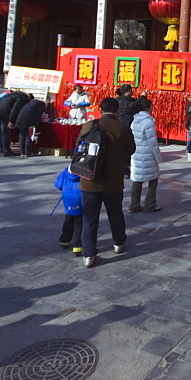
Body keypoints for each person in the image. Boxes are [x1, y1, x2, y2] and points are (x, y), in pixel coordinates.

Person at [79, 96, 135, 268]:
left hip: (89, 180)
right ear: (116, 111)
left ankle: (89, 254)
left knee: (89, 219)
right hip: (112, 182)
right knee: (115, 213)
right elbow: (131, 150)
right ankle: (118, 243)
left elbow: (78, 147)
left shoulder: (88, 126)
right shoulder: (122, 128)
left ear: (100, 110)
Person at [129, 98, 162, 213]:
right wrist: (158, 157)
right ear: (148, 107)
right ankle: (150, 204)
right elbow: (152, 142)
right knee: (153, 180)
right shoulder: (148, 122)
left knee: (137, 181)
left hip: (136, 154)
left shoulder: (134, 120)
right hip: (147, 155)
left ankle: (134, 205)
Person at [54, 165, 83, 257]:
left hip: (68, 199)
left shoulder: (66, 171)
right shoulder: (85, 171)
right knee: (79, 223)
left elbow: (58, 184)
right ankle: (77, 245)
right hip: (81, 198)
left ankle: (64, 240)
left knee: (68, 219)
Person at [0, 90, 30, 156]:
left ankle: (2, 149)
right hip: (5, 114)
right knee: (5, 132)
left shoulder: (10, 95)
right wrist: (11, 120)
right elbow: (15, 109)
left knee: (0, 132)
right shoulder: (21, 97)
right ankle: (6, 150)